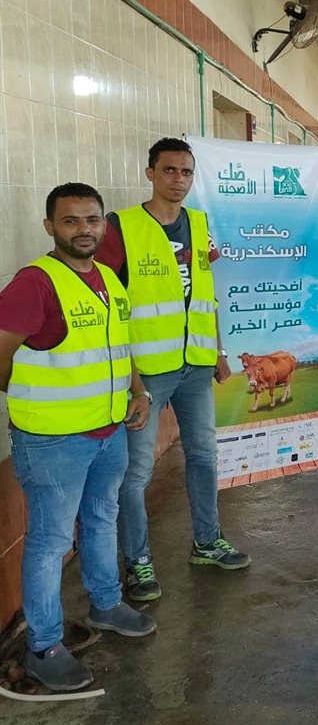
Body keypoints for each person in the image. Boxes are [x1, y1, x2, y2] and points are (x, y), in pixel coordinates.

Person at [0, 184, 158, 690]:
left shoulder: (107, 277)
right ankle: (44, 647)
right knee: (50, 542)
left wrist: (138, 392)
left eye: (92, 220)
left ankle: (106, 603)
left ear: (103, 225)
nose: (84, 229)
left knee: (101, 518)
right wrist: (23, 396)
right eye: (71, 221)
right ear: (50, 226)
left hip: (109, 430)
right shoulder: (34, 283)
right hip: (53, 440)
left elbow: (119, 346)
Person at [95, 137, 250, 604]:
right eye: (168, 170)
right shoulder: (121, 227)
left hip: (196, 367)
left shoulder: (199, 224)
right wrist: (132, 381)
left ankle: (207, 542)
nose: (178, 180)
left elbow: (206, 293)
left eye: (185, 172)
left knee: (204, 456)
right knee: (136, 473)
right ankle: (137, 561)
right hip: (145, 374)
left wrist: (218, 350)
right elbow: (108, 306)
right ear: (150, 173)